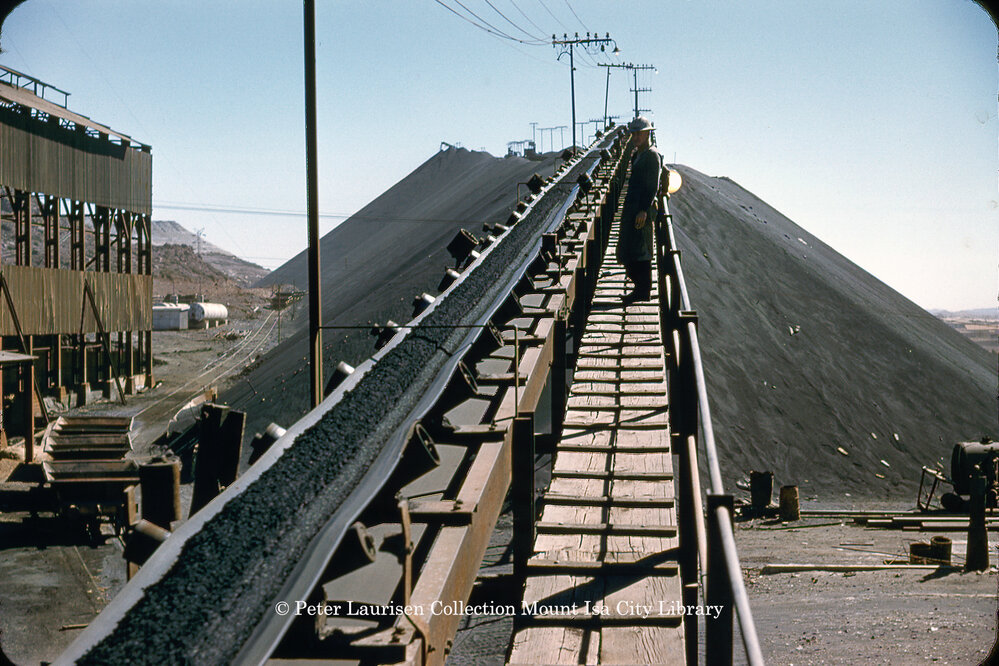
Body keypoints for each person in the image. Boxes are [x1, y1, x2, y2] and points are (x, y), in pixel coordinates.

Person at [617, 115, 662, 304]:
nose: (635, 137)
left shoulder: (652, 155)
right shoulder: (638, 154)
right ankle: (639, 288)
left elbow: (652, 186)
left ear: (647, 134)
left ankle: (643, 291)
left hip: (642, 209)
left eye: (639, 134)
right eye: (633, 134)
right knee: (631, 246)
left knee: (642, 248)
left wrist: (644, 209)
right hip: (633, 207)